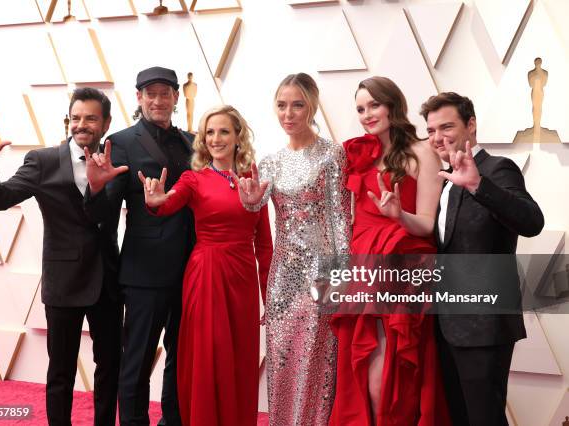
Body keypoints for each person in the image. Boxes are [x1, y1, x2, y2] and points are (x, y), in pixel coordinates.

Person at [0, 88, 122, 426]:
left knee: (110, 367)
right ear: (69, 120)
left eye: (91, 118)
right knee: (61, 372)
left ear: (106, 123)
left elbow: (109, 214)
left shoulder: (115, 160)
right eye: (76, 117)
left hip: (108, 280)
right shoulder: (44, 161)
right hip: (64, 281)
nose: (82, 124)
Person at [140, 105, 273, 426]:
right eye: (210, 132)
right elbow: (168, 202)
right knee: (208, 355)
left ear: (238, 136)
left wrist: (269, 297)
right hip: (207, 274)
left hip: (242, 279)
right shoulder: (193, 179)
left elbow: (265, 245)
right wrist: (154, 200)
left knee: (239, 358)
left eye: (224, 131)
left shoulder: (252, 180)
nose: (216, 138)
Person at [329, 76, 449, 426]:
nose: (367, 115)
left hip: (403, 258)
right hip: (363, 261)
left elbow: (427, 223)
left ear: (393, 105)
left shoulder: (424, 152)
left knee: (392, 356)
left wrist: (399, 215)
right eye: (361, 109)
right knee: (363, 355)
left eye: (374, 105)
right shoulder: (360, 153)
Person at [232, 73, 351, 426]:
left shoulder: (332, 155)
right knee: (283, 360)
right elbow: (256, 211)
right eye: (282, 105)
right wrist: (251, 203)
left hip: (322, 275)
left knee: (318, 363)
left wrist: (342, 275)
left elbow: (341, 220)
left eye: (297, 105)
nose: (289, 113)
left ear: (312, 106)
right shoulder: (270, 162)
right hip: (283, 276)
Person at [421, 92, 544, 426]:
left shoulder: (496, 169)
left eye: (446, 126)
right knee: (459, 418)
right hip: (446, 324)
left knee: (485, 420)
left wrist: (479, 185)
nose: (437, 137)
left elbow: (532, 222)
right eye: (431, 130)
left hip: (485, 325)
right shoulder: (445, 182)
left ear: (471, 125)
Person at [84, 66, 195, 426]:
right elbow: (103, 215)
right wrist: (97, 187)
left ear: (176, 97)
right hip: (145, 273)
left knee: (181, 359)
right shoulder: (121, 142)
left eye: (165, 93)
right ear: (139, 98)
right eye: (151, 94)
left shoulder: (193, 142)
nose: (158, 100)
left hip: (192, 270)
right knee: (137, 360)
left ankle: (172, 421)